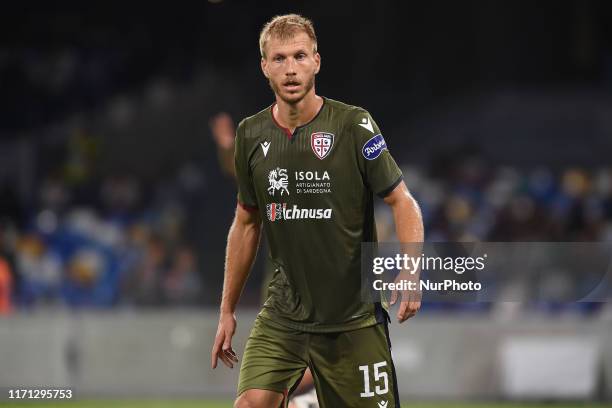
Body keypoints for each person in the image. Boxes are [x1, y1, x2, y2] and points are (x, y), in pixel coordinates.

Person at [211, 14, 424, 408]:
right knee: (250, 404)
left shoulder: (354, 125)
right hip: (283, 316)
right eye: (279, 59)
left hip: (352, 321)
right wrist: (227, 310)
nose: (290, 69)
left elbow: (402, 200)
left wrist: (411, 268)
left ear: (317, 61)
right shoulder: (250, 134)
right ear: (265, 67)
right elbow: (245, 222)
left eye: (299, 56)